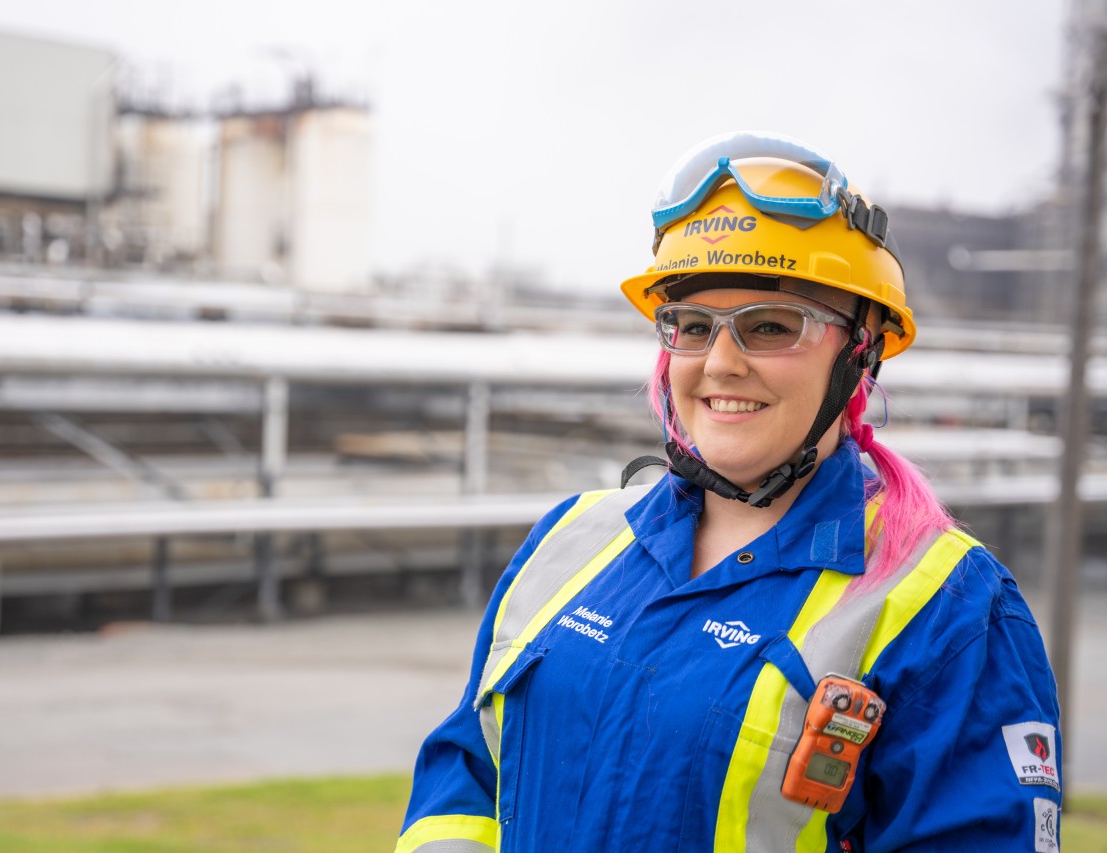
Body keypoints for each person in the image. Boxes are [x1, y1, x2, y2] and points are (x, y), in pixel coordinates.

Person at [393, 131, 1062, 852]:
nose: (720, 363)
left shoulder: (946, 607)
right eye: (691, 325)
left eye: (770, 327)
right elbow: (467, 770)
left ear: (859, 353)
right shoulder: (572, 539)